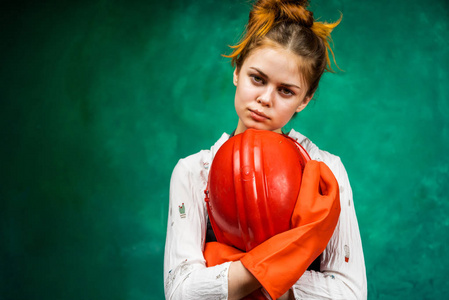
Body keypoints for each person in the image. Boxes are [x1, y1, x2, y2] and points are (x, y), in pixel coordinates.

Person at [164, 0, 367, 299]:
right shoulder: (192, 172)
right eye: (257, 79)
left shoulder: (326, 172)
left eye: (286, 91)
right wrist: (282, 271)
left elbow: (350, 293)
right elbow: (181, 292)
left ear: (305, 100)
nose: (265, 99)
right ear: (237, 71)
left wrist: (225, 265)